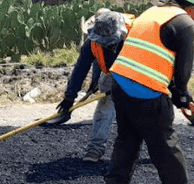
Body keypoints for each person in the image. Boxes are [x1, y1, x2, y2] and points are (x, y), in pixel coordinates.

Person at [101, 0, 194, 184]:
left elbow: (151, 56)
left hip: (120, 84)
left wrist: (180, 96)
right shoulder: (185, 24)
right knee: (164, 141)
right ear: (193, 9)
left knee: (127, 138)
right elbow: (183, 70)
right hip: (146, 90)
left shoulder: (152, 12)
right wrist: (182, 97)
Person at [48, 8, 134, 163]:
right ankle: (95, 148)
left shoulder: (136, 35)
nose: (107, 45)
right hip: (111, 74)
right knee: (104, 108)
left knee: (145, 113)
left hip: (138, 75)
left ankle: (160, 148)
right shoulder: (92, 43)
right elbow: (80, 69)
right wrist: (70, 97)